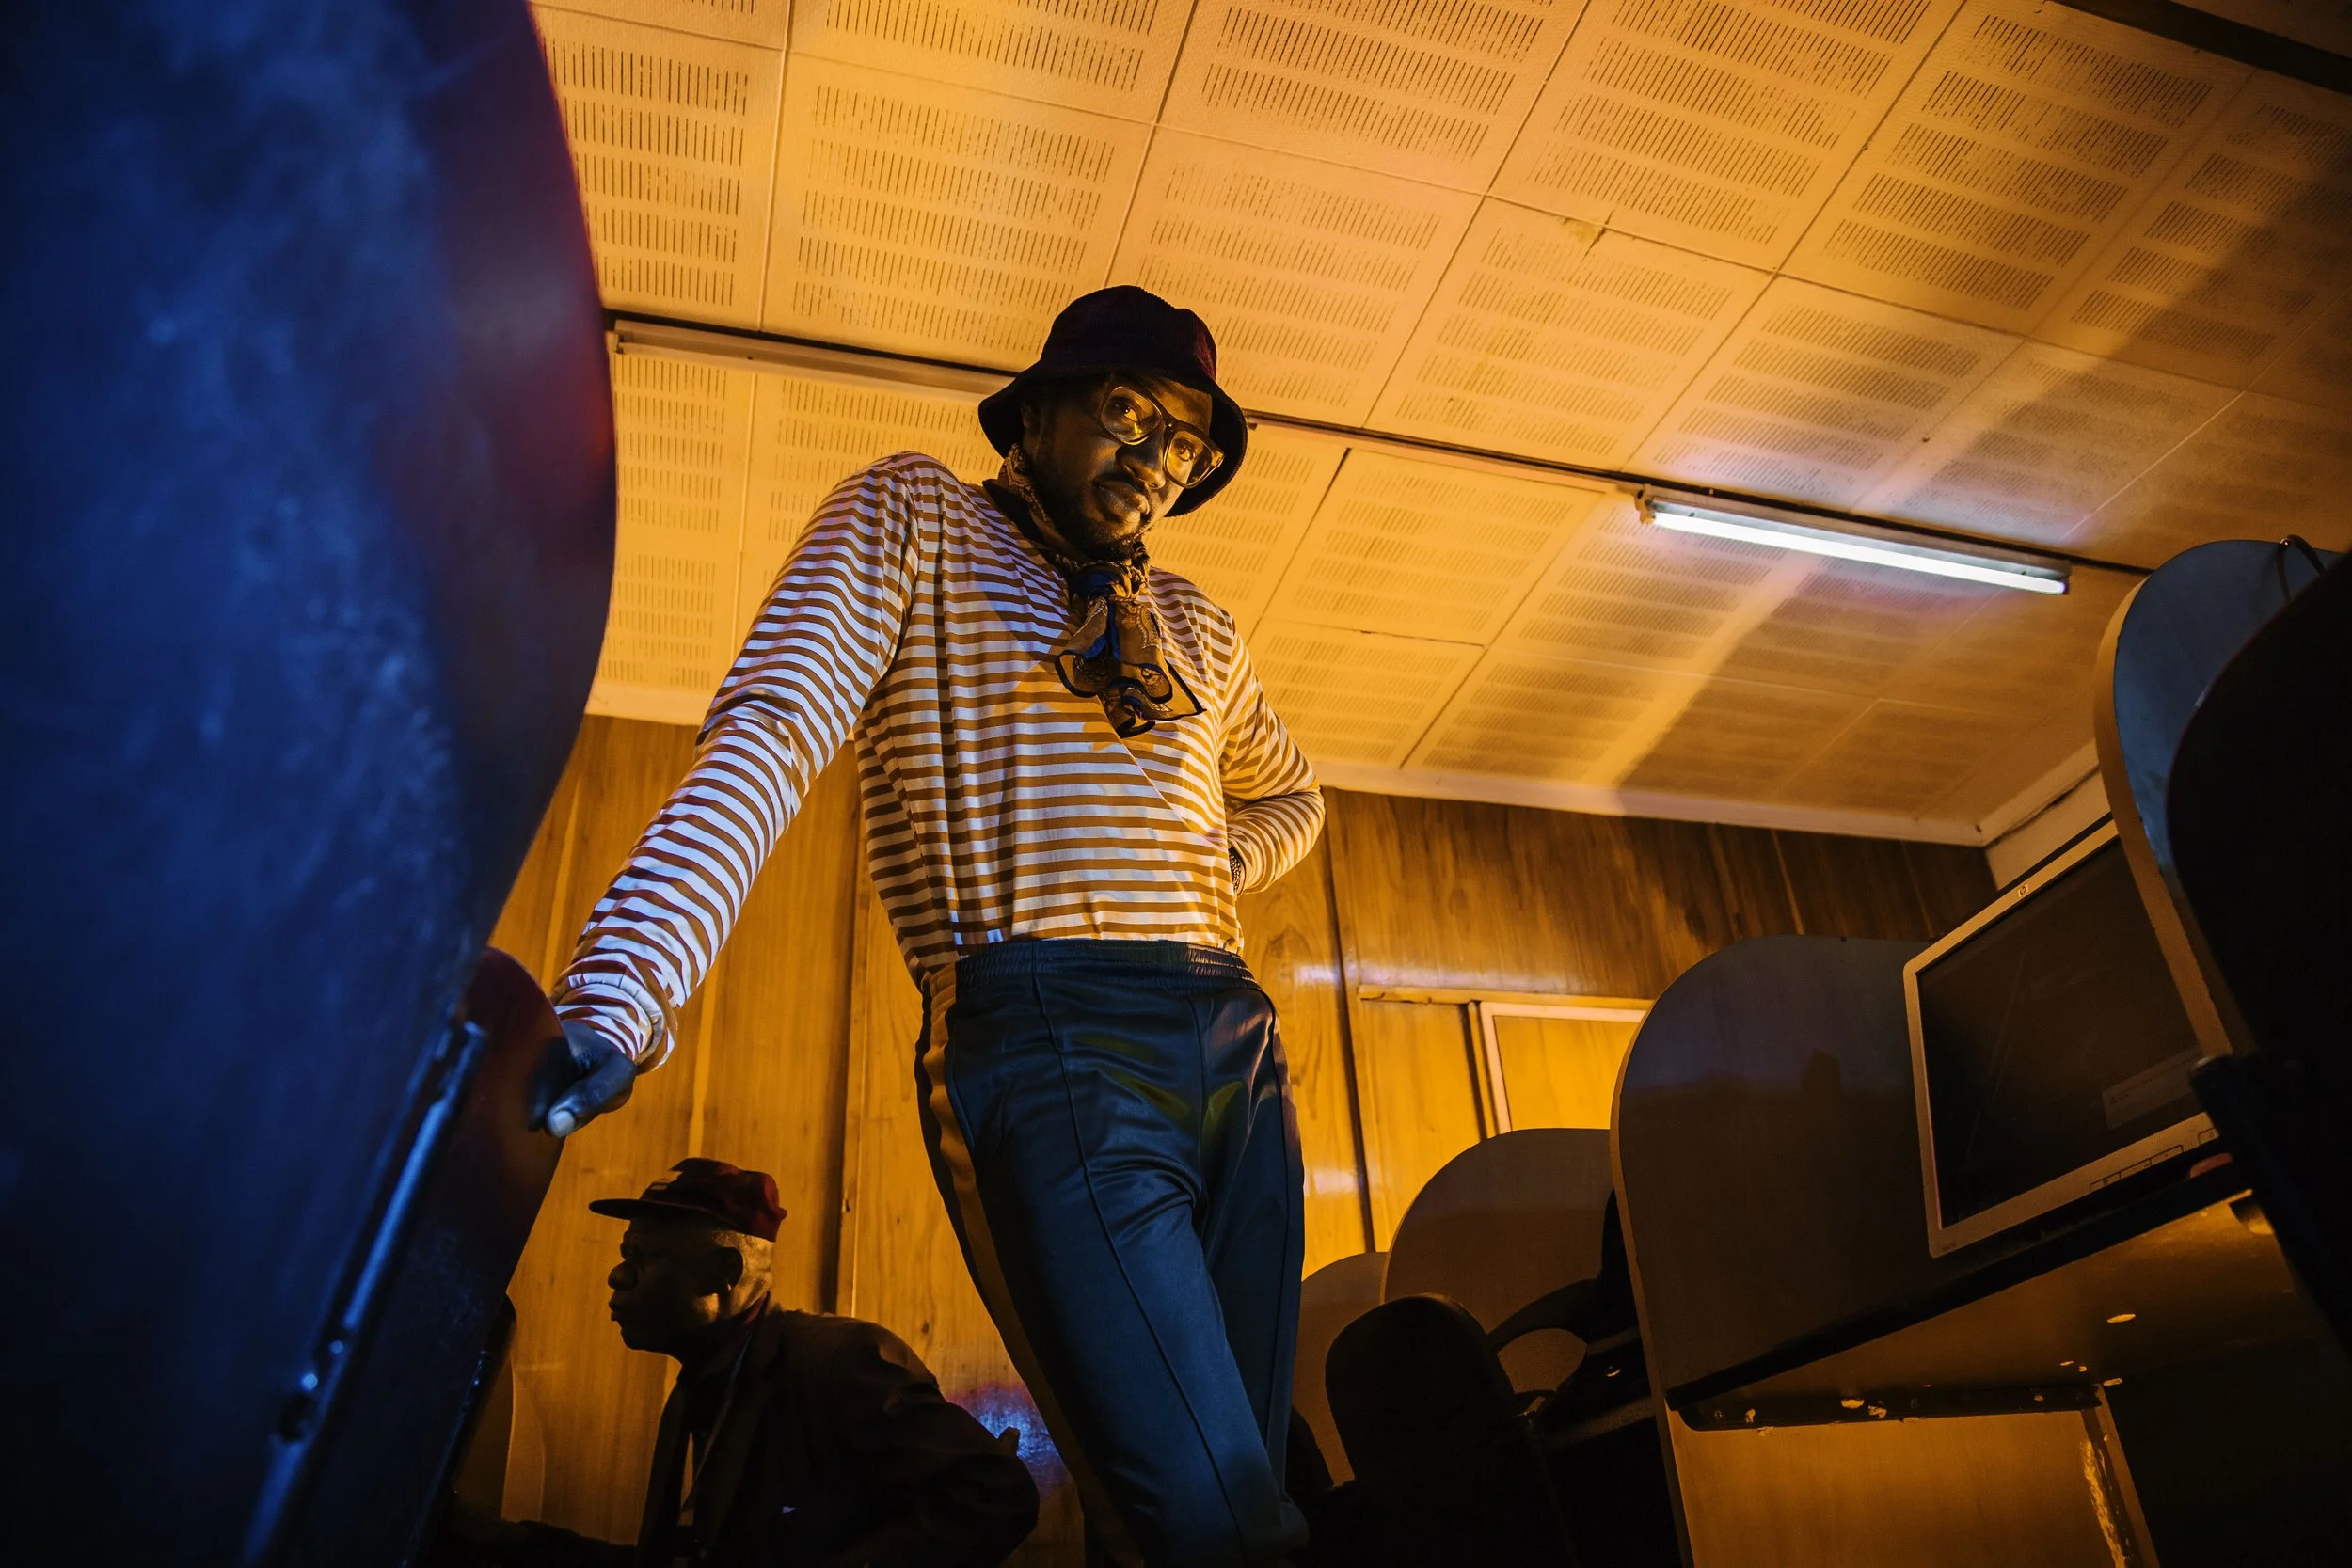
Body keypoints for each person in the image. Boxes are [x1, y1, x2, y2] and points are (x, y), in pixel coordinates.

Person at [533, 287, 1324, 1565]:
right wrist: (623, 982)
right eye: (1130, 413)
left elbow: (1297, 790)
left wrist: (1208, 862)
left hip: (1234, 1041)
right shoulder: (918, 517)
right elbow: (775, 724)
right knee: (1216, 1515)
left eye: (1186, 446)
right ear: (1040, 410)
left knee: (1241, 1469)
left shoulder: (1196, 626)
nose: (1156, 461)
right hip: (1054, 1032)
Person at [443, 1159, 1039, 1566]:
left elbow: (997, 1491)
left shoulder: (838, 1359)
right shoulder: (695, 1391)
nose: (617, 1276)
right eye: (626, 1256)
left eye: (646, 1259)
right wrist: (509, 1542)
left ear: (726, 1273)